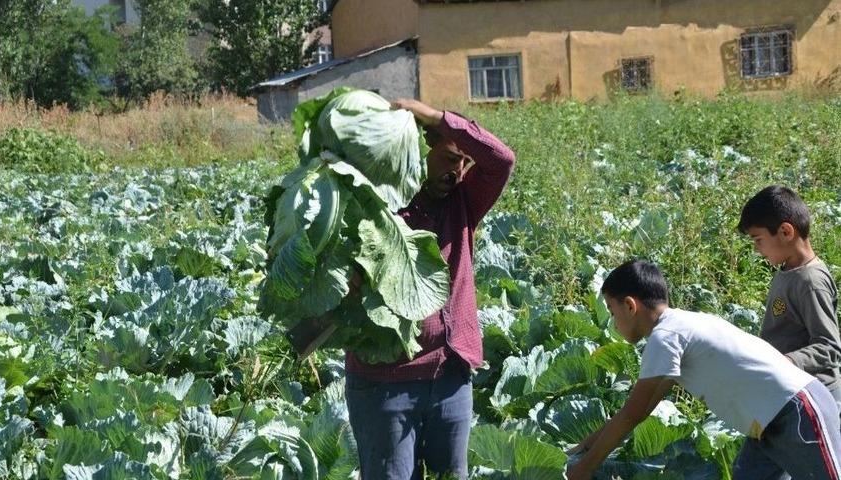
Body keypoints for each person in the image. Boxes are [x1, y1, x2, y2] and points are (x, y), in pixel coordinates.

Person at [344, 98, 516, 480]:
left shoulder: (464, 204)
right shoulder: (375, 207)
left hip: (451, 377)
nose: (457, 170)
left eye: (462, 161)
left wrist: (438, 118)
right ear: (415, 154)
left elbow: (501, 160)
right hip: (384, 382)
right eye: (448, 158)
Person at [566, 259, 841, 480]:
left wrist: (584, 469)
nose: (613, 323)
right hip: (766, 424)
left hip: (796, 411)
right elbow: (640, 409)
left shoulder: (666, 336)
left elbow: (631, 415)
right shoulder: (682, 325)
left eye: (613, 312)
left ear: (630, 305)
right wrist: (586, 445)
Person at [738, 185, 841, 412]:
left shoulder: (811, 282)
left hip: (815, 399)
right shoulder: (788, 270)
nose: (756, 249)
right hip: (791, 391)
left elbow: (829, 347)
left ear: (785, 232)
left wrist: (787, 361)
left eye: (758, 240)